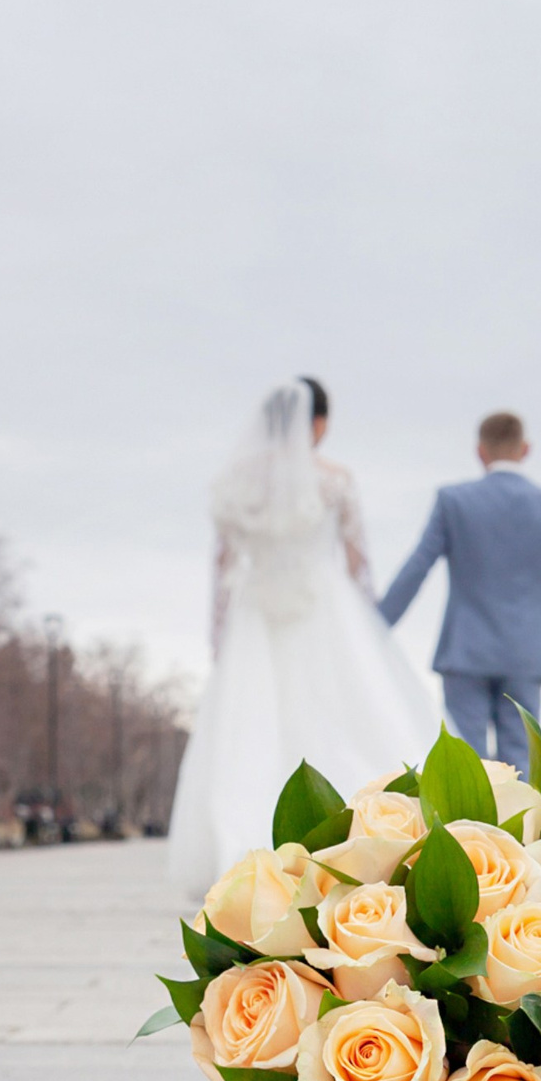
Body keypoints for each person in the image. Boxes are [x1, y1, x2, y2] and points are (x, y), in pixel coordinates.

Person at [165, 378, 438, 897]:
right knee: (342, 720)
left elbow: (221, 565)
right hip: (324, 609)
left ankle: (246, 854)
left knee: (250, 732)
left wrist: (219, 636)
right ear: (317, 423)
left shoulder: (236, 481)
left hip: (256, 615)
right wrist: (369, 631)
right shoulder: (334, 480)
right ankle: (354, 844)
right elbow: (358, 563)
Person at [377, 410, 541, 768]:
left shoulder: (454, 501)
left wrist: (373, 629)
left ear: (480, 452)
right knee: (519, 765)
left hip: (464, 652)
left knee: (467, 767)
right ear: (526, 449)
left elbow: (417, 568)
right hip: (526, 655)